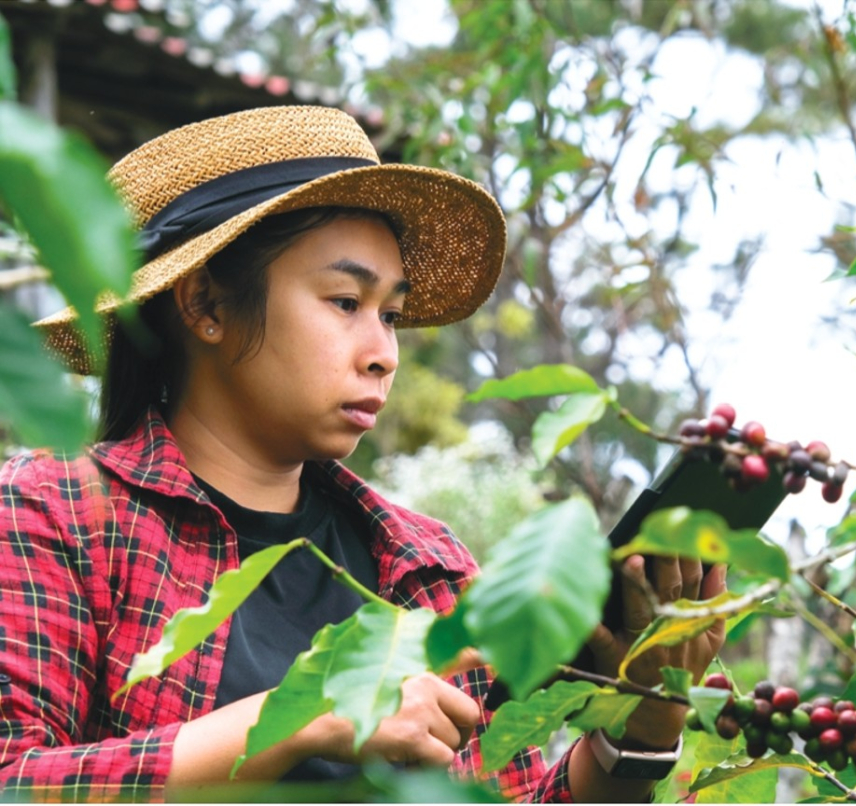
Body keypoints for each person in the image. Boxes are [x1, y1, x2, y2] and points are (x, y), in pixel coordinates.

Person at [0, 105, 726, 802]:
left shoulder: (428, 570)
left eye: (392, 315)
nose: (384, 354)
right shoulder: (55, 510)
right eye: (346, 302)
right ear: (206, 306)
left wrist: (643, 730)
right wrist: (306, 714)